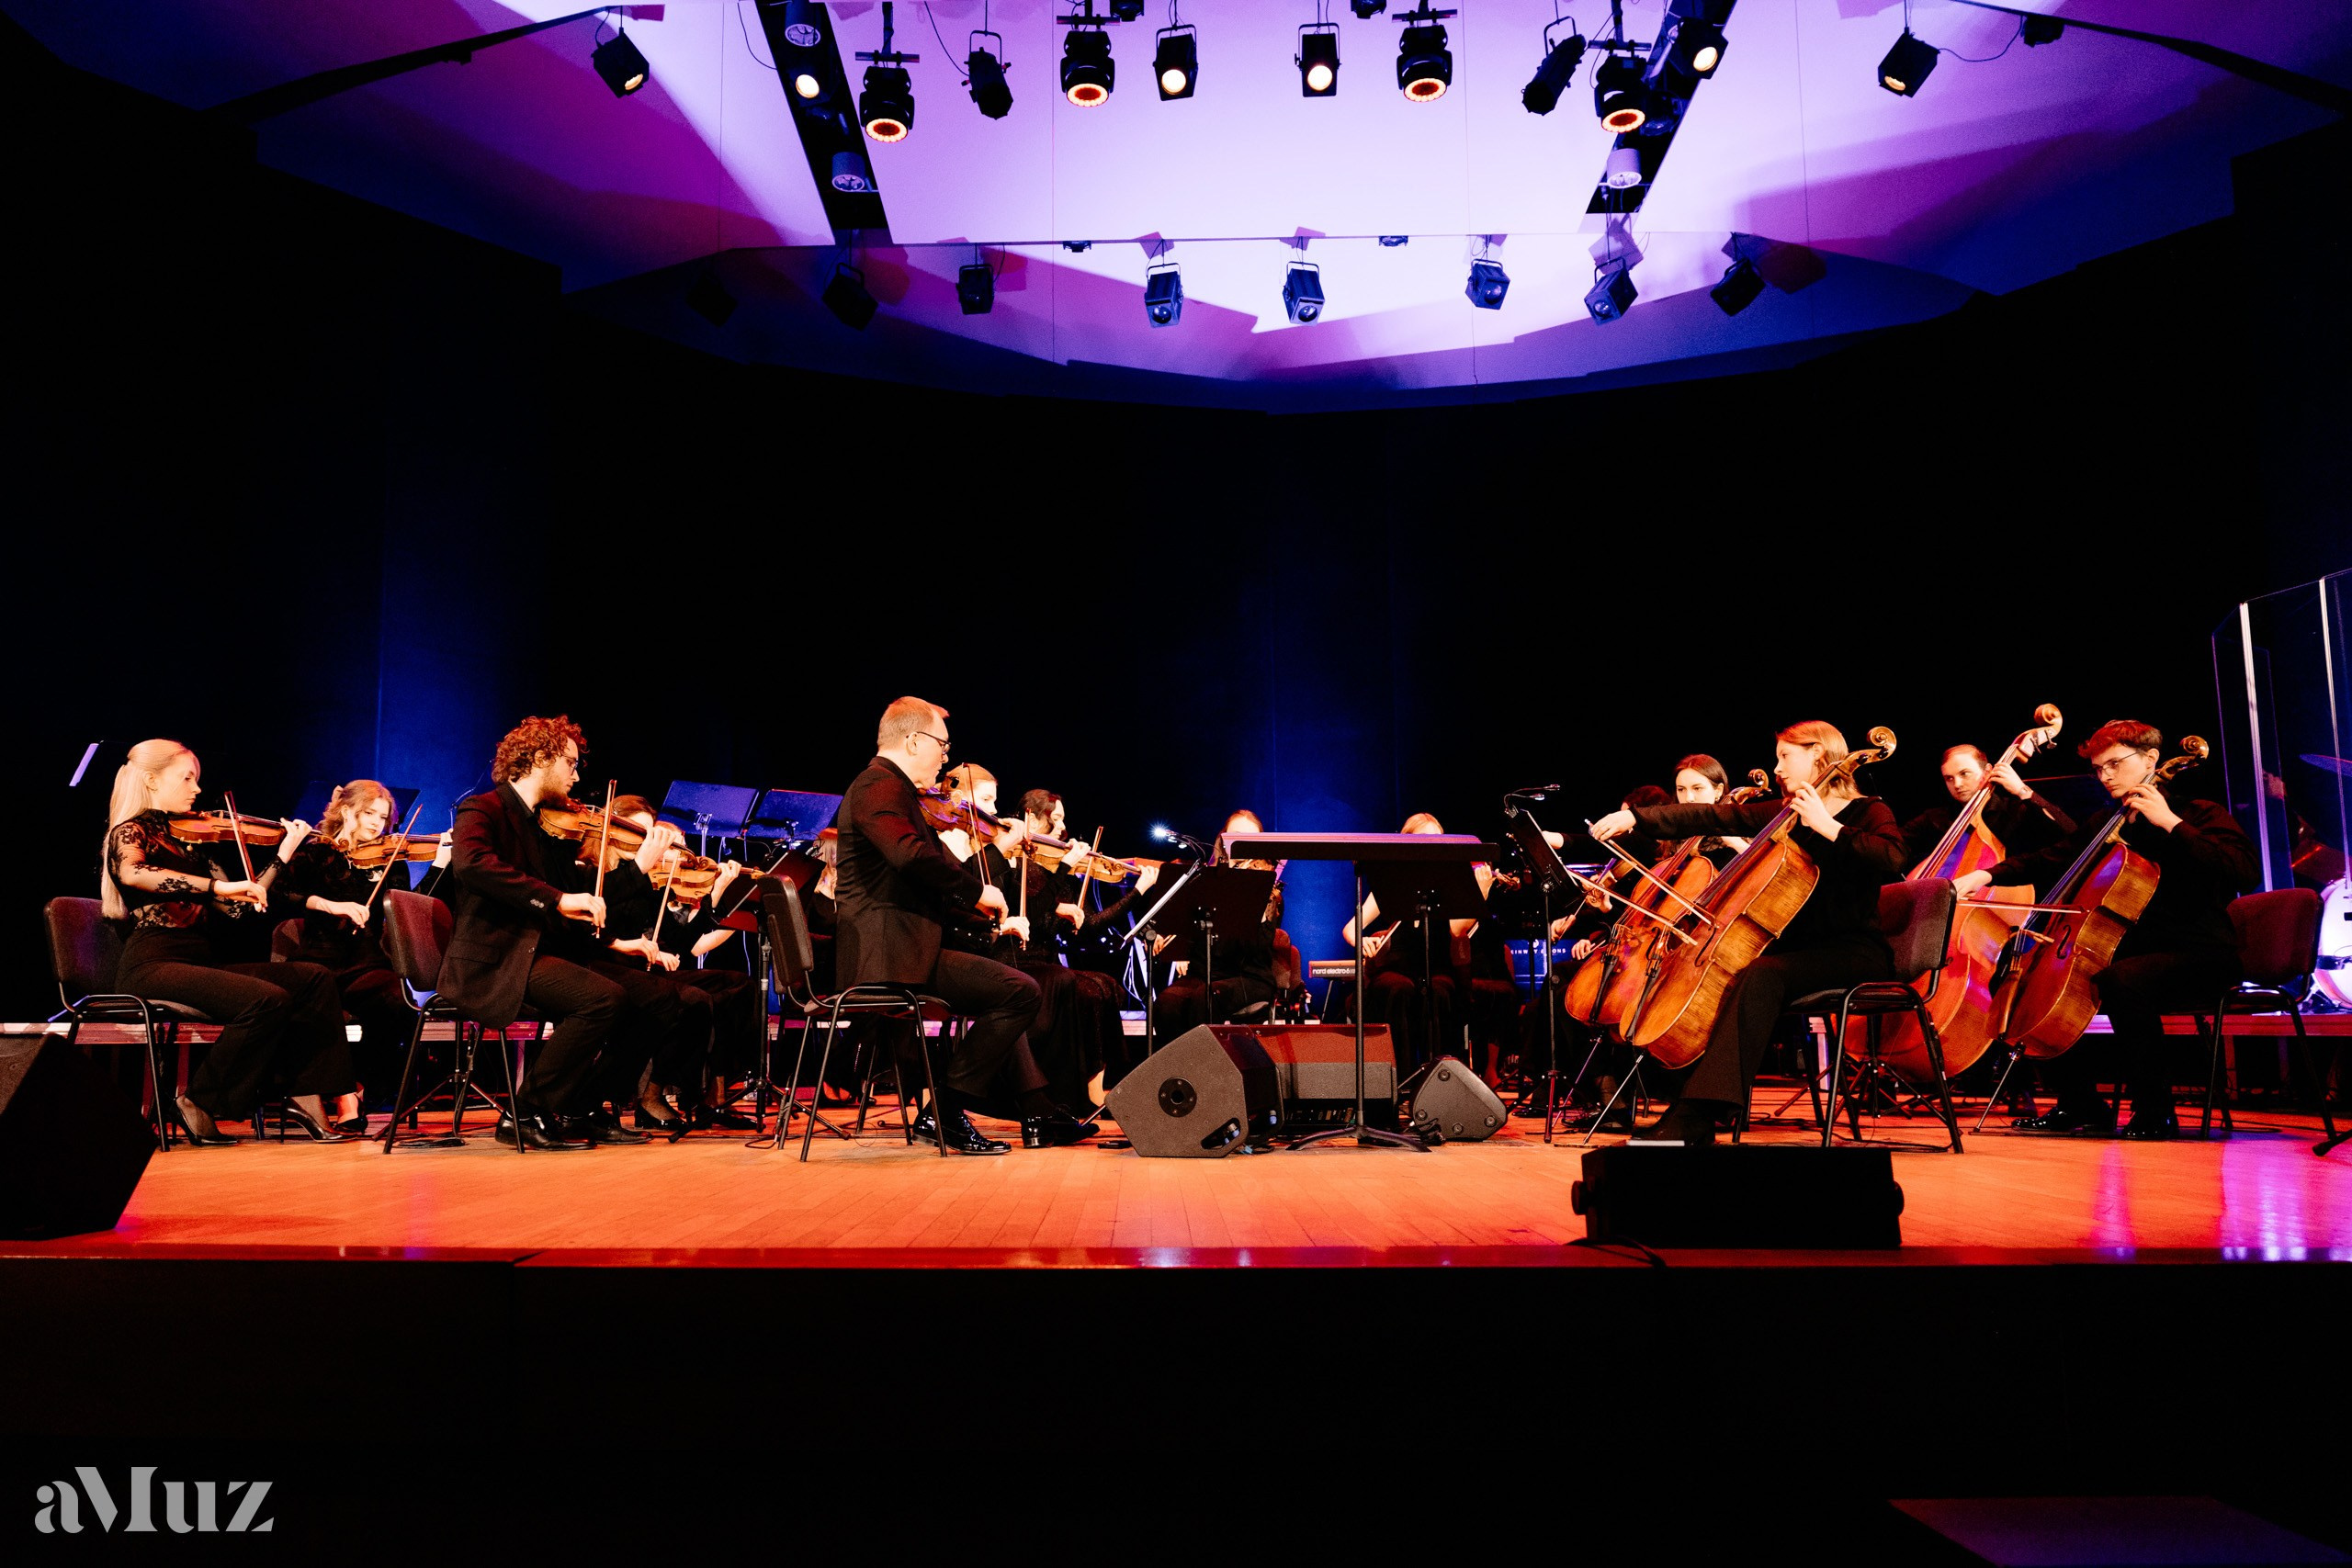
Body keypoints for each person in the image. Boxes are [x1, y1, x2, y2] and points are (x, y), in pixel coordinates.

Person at [1589, 720, 1907, 1144]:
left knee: (1762, 976)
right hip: (1796, 950)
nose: (1777, 768)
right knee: (1728, 976)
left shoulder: (1869, 811)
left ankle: (1701, 1115)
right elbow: (1710, 814)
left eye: (1785, 757)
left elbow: (1892, 858)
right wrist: (1636, 817)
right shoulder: (1784, 812)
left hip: (1854, 950)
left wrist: (1826, 826)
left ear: (1818, 754)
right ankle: (1692, 1104)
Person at [1954, 718, 2258, 1138]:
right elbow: (2052, 856)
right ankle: (2081, 1105)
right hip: (2130, 949)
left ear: (2152, 759)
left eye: (2114, 763)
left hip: (2202, 952)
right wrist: (1987, 876)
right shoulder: (2108, 821)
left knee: (2121, 981)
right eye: (2099, 769)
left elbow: (2244, 871)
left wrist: (2171, 823)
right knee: (2023, 974)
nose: (2106, 775)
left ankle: (2156, 1110)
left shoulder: (2199, 813)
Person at [834, 698, 1091, 1152]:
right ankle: (948, 1112)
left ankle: (1008, 1108)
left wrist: (986, 915)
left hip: (907, 948)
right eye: (942, 745)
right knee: (1020, 991)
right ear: (913, 741)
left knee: (1010, 986)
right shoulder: (879, 785)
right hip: (890, 957)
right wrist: (978, 892)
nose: (945, 757)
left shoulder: (895, 791)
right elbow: (911, 857)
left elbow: (922, 883)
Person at [100, 739, 357, 1145]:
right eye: (186, 778)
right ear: (151, 780)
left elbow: (241, 906)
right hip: (152, 964)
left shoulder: (195, 842)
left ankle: (307, 1098)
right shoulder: (130, 832)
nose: (196, 789)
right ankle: (197, 1100)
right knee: (266, 999)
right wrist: (215, 885)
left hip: (199, 963)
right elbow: (134, 874)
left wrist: (283, 854)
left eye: (196, 780)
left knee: (313, 978)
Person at [438, 716, 677, 1150]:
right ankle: (524, 1111)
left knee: (660, 1000)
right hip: (500, 958)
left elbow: (584, 892)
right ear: (542, 758)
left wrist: (639, 868)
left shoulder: (547, 826)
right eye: (570, 763)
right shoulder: (482, 809)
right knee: (603, 999)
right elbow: (473, 866)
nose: (576, 774)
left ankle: (581, 1106)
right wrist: (554, 899)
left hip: (548, 952)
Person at [273, 778, 454, 1134]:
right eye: (368, 813)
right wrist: (330, 905)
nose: (376, 823)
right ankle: (343, 1098)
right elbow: (281, 894)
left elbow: (410, 909)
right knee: (319, 1005)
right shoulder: (316, 851)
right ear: (346, 811)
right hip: (319, 962)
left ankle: (359, 1085)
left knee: (399, 1005)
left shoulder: (391, 857)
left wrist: (440, 864)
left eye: (383, 818)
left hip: (367, 963)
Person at [1154, 809, 1288, 1036]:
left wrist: (1256, 899)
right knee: (1166, 1003)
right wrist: (1173, 938)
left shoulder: (1269, 891)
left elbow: (1261, 945)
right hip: (1204, 974)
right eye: (1235, 837)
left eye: (1250, 840)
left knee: (1205, 998)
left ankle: (1207, 1069)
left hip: (1249, 978)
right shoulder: (1207, 880)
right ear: (1223, 840)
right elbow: (1190, 926)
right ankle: (1176, 1070)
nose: (1241, 845)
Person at [1901, 743, 2076, 868]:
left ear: (1987, 772)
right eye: (1949, 778)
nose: (1957, 784)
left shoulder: (2015, 811)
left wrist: (2023, 791)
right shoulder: (1935, 818)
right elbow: (1894, 845)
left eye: (1965, 774)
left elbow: (2071, 834)